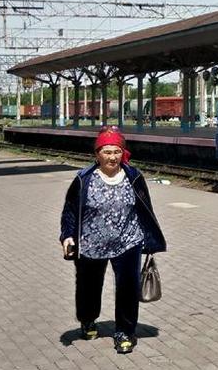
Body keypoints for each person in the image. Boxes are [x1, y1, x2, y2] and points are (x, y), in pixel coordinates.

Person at [59, 126, 167, 354]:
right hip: (91, 243)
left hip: (127, 241)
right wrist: (67, 236)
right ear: (97, 154)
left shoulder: (133, 176)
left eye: (117, 152)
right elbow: (70, 210)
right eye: (107, 152)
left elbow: (145, 208)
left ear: (123, 153)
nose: (112, 157)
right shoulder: (83, 179)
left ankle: (125, 331)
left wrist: (149, 238)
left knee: (128, 288)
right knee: (88, 287)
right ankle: (88, 319)